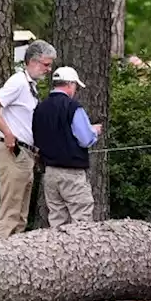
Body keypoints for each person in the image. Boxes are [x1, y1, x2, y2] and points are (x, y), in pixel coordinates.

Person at [0, 39, 56, 238]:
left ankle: (15, 256)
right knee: (10, 209)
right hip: (12, 151)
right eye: (46, 64)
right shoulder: (18, 82)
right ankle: (1, 252)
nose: (48, 69)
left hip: (26, 154)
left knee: (21, 214)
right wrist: (7, 132)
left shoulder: (30, 86)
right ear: (33, 61)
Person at [32, 66, 102, 228]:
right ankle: (81, 253)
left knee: (57, 220)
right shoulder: (73, 108)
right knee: (81, 220)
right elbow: (85, 139)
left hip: (50, 172)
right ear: (70, 84)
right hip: (72, 173)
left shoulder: (40, 108)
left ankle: (58, 253)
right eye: (75, 86)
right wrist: (94, 132)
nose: (75, 90)